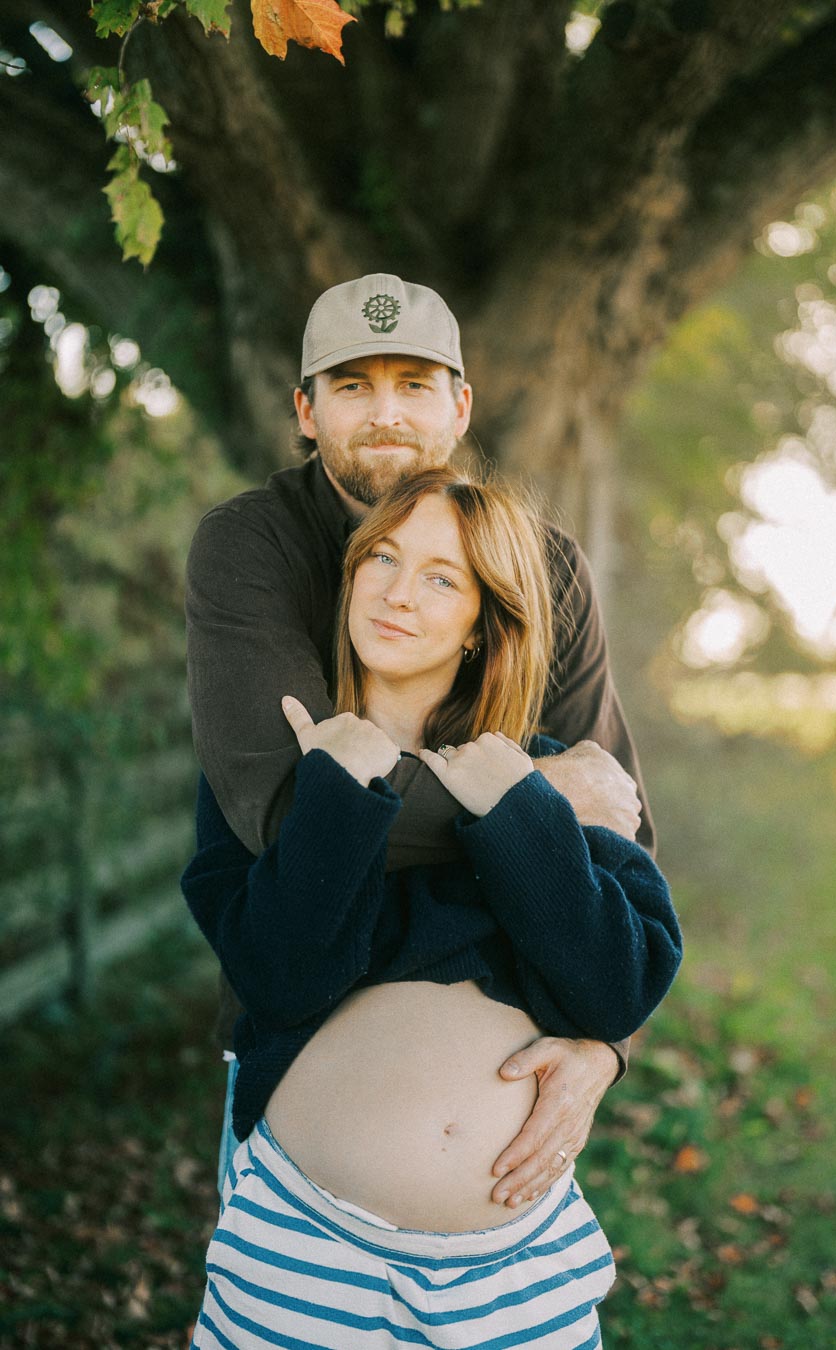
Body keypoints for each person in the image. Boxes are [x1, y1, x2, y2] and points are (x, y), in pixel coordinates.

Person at [185, 273, 655, 1211]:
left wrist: (608, 1048)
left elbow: (619, 816)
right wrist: (531, 804)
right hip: (304, 1101)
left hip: (509, 1132)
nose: (385, 412)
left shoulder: (545, 564)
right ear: (306, 410)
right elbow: (289, 815)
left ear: (461, 405)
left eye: (414, 383)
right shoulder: (254, 548)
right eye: (352, 385)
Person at [183, 468, 682, 1348]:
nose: (398, 594)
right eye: (381, 558)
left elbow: (618, 987)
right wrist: (341, 790)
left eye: (441, 577)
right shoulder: (288, 777)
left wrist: (521, 806)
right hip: (305, 1243)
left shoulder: (552, 774)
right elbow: (280, 975)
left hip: (514, 1263)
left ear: (481, 629)